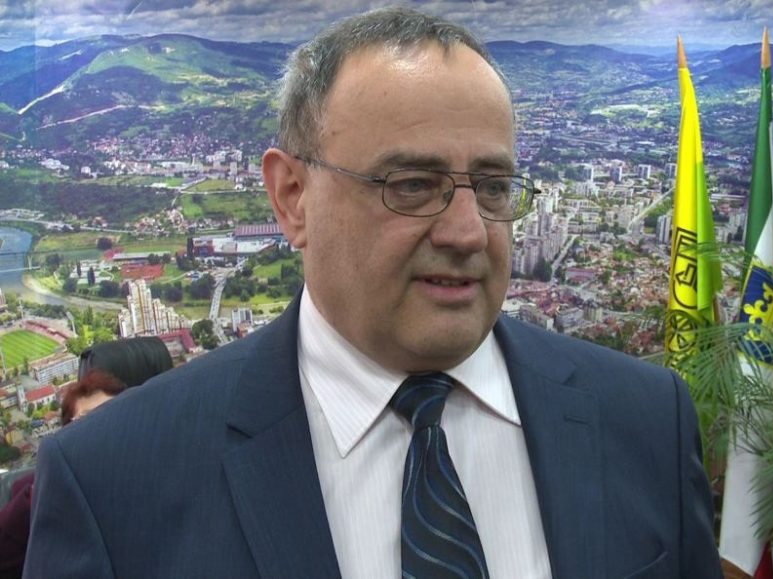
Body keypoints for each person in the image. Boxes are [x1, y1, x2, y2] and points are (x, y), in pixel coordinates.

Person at [25, 7, 722, 578]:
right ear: (292, 197)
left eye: (493, 186)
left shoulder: (644, 420)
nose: (468, 231)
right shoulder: (114, 481)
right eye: (411, 184)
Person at [0, 369, 126, 579]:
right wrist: (46, 490)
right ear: (68, 437)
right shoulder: (38, 490)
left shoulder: (151, 478)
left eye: (113, 415)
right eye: (88, 421)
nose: (104, 430)